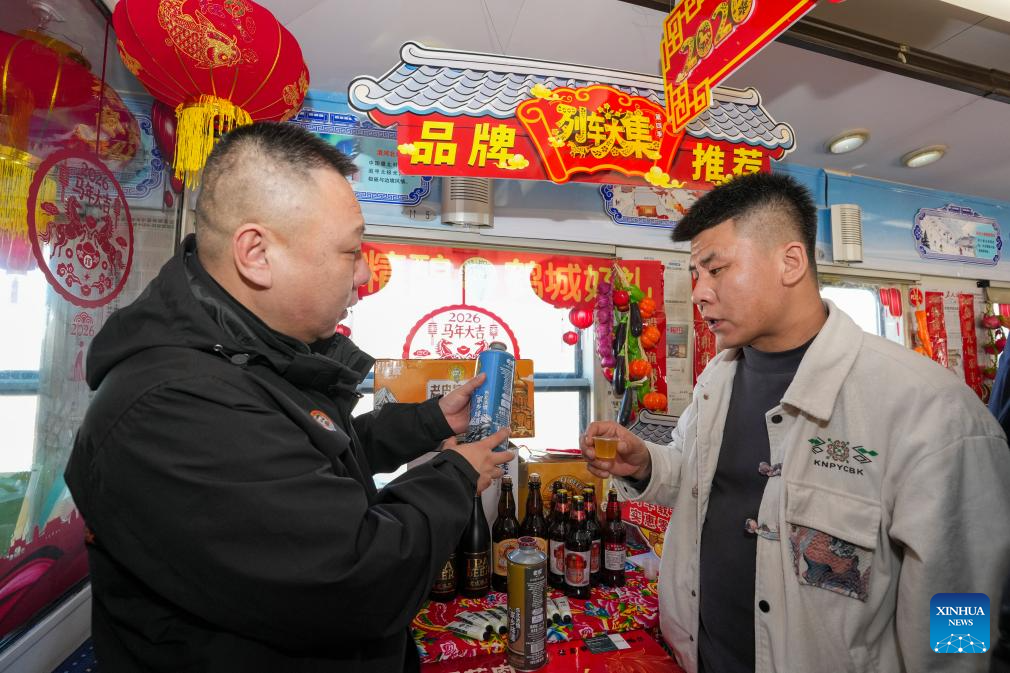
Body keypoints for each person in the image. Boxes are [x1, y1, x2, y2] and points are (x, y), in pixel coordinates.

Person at [64, 122, 513, 672]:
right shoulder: (173, 405)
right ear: (256, 253)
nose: (366, 273)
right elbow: (357, 579)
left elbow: (311, 460)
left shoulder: (248, 357)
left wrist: (427, 422)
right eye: (351, 251)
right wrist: (454, 475)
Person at [581, 172, 1010, 673]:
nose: (700, 292)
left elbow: (963, 607)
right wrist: (645, 462)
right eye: (694, 274)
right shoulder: (716, 380)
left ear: (790, 262)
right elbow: (698, 478)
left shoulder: (931, 412)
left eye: (715, 269)